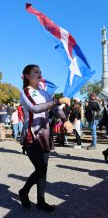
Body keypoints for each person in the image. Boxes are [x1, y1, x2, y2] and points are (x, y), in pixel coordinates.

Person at [19, 64, 72, 212]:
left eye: (40, 71)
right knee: (41, 168)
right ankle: (24, 192)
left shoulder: (45, 93)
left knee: (44, 170)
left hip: (45, 135)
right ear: (27, 76)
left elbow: (56, 110)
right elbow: (35, 108)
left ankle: (40, 201)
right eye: (35, 72)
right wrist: (57, 101)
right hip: (31, 135)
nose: (39, 73)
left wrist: (65, 120)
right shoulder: (25, 92)